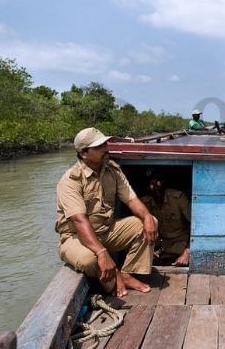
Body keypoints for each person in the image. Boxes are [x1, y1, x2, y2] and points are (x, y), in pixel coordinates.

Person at [55, 127, 158, 297]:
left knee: (150, 222)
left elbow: (131, 199)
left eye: (105, 144)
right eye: (99, 147)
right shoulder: (70, 181)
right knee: (89, 260)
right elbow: (79, 221)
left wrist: (146, 216)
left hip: (106, 231)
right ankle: (113, 279)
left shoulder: (112, 170)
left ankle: (126, 273)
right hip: (76, 237)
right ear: (84, 153)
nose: (106, 149)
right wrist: (102, 253)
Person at [140, 170, 191, 267]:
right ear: (147, 188)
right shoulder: (144, 203)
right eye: (151, 184)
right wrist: (148, 250)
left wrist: (187, 251)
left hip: (180, 242)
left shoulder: (178, 198)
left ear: (163, 183)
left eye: (157, 182)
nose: (155, 187)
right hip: (160, 244)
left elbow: (196, 226)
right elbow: (139, 229)